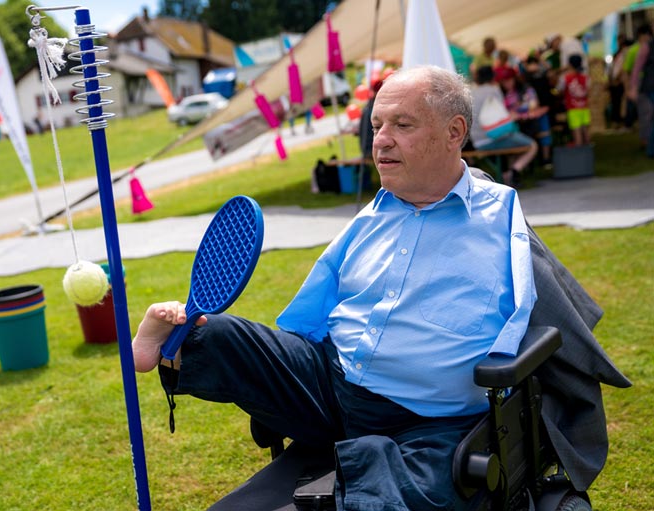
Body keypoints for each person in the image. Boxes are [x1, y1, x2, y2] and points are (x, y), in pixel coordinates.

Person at [132, 65, 538, 510]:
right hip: (333, 383)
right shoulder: (371, 216)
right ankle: (171, 343)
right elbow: (313, 314)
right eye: (377, 125)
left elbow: (531, 316)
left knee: (409, 496)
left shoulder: (499, 218)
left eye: (402, 125)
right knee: (223, 332)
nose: (380, 139)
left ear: (454, 132)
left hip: (432, 422)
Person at [470, 65, 538, 186]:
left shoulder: (471, 92)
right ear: (492, 77)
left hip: (477, 141)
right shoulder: (493, 90)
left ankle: (508, 176)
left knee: (512, 145)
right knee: (532, 145)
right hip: (493, 137)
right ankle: (515, 170)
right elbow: (501, 113)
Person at [557, 54, 591, 146]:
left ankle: (579, 155)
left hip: (572, 108)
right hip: (584, 107)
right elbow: (588, 91)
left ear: (569, 64)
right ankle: (588, 151)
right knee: (585, 131)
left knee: (577, 132)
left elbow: (559, 90)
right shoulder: (585, 77)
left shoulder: (565, 78)